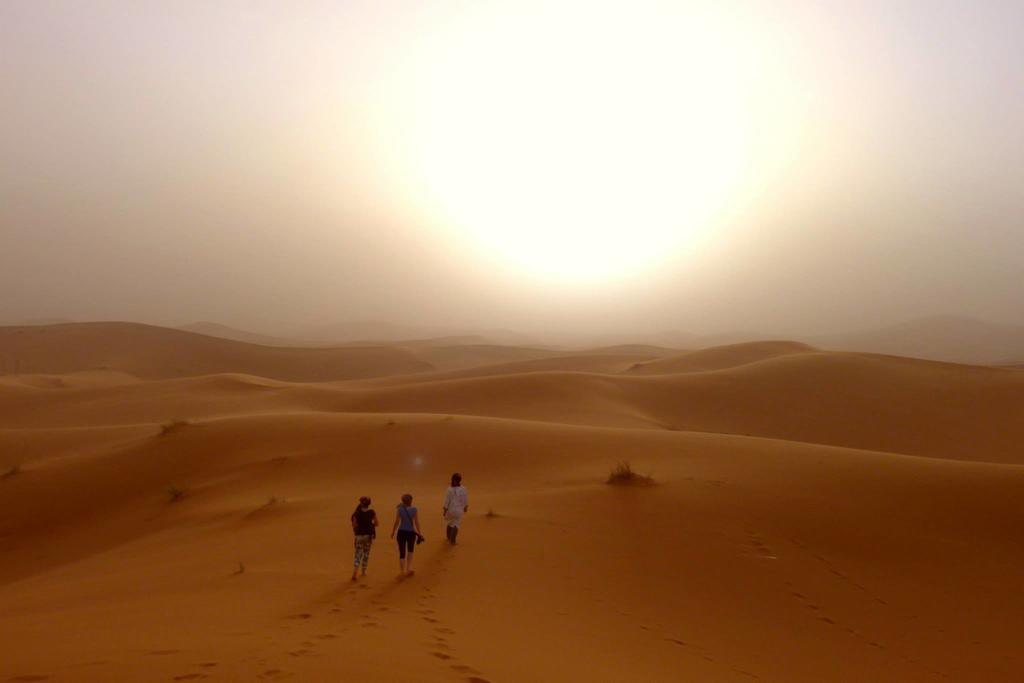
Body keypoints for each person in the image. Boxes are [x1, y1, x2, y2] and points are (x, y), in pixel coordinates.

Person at [390, 493, 422, 576]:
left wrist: (393, 531)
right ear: (411, 501)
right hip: (411, 533)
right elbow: (416, 522)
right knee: (410, 550)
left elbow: (397, 522)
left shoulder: (400, 509)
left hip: (401, 532)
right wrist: (419, 532)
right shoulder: (414, 509)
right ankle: (409, 567)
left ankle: (402, 571)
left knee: (402, 552)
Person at [350, 496, 378, 581]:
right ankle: (364, 571)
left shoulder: (356, 513)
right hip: (368, 536)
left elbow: (354, 525)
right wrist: (370, 525)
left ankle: (355, 571)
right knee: (366, 553)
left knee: (358, 553)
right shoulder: (371, 512)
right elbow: (376, 523)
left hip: (359, 536)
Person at [443, 473, 469, 545]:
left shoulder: (449, 489)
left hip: (450, 510)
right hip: (458, 511)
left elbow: (446, 501)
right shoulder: (463, 489)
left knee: (450, 522)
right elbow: (465, 499)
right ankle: (452, 541)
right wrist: (465, 507)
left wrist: (444, 511)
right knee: (456, 525)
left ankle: (448, 537)